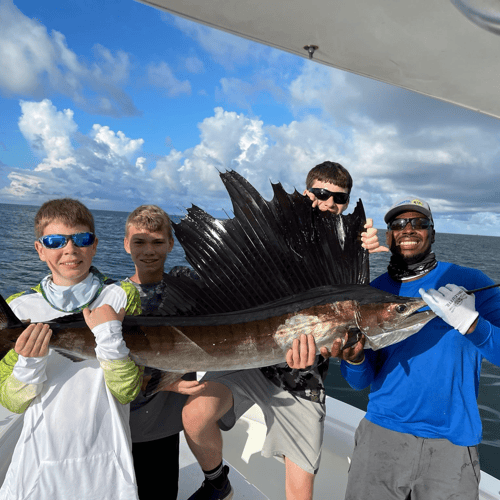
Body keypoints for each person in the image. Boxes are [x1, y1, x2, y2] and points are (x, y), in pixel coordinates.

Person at [182, 161, 384, 500]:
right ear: (306, 193)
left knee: (300, 492)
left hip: (303, 377)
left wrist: (384, 244)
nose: (330, 204)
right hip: (248, 363)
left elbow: (363, 306)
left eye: (340, 199)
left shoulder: (347, 248)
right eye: (321, 194)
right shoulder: (272, 235)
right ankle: (217, 483)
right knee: (194, 414)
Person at [333, 196, 500, 500]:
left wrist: (473, 324)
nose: (408, 229)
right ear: (388, 235)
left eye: (419, 223)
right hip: (382, 433)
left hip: (452, 442)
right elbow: (360, 381)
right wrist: (354, 359)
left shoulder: (472, 281)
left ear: (432, 232)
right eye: (398, 223)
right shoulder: (373, 293)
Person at [0, 198, 142, 500]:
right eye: (54, 241)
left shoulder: (120, 296)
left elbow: (127, 391)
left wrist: (109, 337)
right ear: (40, 249)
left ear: (94, 244)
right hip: (38, 469)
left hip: (109, 471)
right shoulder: (17, 308)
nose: (70, 250)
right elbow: (11, 401)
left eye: (81, 239)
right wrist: (28, 363)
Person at [123, 204, 206, 499]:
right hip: (117, 428)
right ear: (126, 244)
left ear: (171, 245)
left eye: (158, 242)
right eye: (140, 242)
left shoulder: (187, 289)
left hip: (162, 430)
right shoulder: (113, 297)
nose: (149, 251)